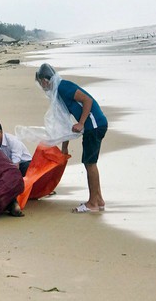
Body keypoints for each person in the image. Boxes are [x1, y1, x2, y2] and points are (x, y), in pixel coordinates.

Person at [35, 63, 108, 213]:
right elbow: (64, 122)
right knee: (90, 163)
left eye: (41, 83)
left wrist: (81, 123)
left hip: (94, 125)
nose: (42, 87)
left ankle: (93, 203)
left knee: (90, 163)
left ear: (44, 80)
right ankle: (98, 199)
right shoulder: (58, 92)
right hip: (92, 126)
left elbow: (87, 100)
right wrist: (64, 147)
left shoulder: (63, 87)